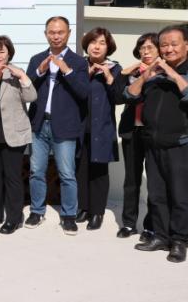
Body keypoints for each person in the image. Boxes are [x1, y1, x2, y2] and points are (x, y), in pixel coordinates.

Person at [127, 25, 188, 263]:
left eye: (174, 44)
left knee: (180, 195)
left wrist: (172, 74)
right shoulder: (155, 74)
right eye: (164, 45)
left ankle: (179, 241)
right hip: (153, 143)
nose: (168, 49)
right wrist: (146, 76)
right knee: (157, 194)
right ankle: (161, 236)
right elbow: (128, 95)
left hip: (181, 145)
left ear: (187, 45)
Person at [25, 16, 89, 235]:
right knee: (36, 171)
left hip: (65, 125)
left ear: (69, 33)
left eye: (60, 32)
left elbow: (83, 93)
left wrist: (66, 70)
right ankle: (36, 211)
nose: (56, 36)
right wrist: (40, 71)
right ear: (46, 34)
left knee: (67, 173)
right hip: (39, 124)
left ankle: (69, 215)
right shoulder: (37, 59)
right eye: (52, 32)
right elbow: (26, 89)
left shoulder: (78, 62)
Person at [0, 35, 36, 235]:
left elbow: (31, 96)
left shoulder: (16, 73)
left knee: (12, 178)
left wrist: (23, 77)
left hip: (13, 134)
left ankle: (14, 218)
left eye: (1, 51)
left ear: (9, 53)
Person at [75, 27, 122, 231]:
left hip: (102, 128)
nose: (96, 46)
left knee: (99, 172)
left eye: (102, 43)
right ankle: (83, 208)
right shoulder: (79, 66)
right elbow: (72, 92)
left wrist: (109, 78)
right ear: (86, 45)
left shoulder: (116, 68)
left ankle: (97, 212)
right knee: (80, 169)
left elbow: (120, 97)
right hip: (79, 126)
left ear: (108, 47)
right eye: (93, 42)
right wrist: (87, 74)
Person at [115, 33, 158, 240]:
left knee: (154, 182)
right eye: (142, 48)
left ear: (159, 50)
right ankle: (129, 224)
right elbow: (118, 96)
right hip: (132, 131)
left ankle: (150, 227)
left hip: (154, 133)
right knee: (131, 180)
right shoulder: (132, 72)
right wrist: (125, 73)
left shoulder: (164, 73)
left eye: (150, 47)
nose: (145, 52)